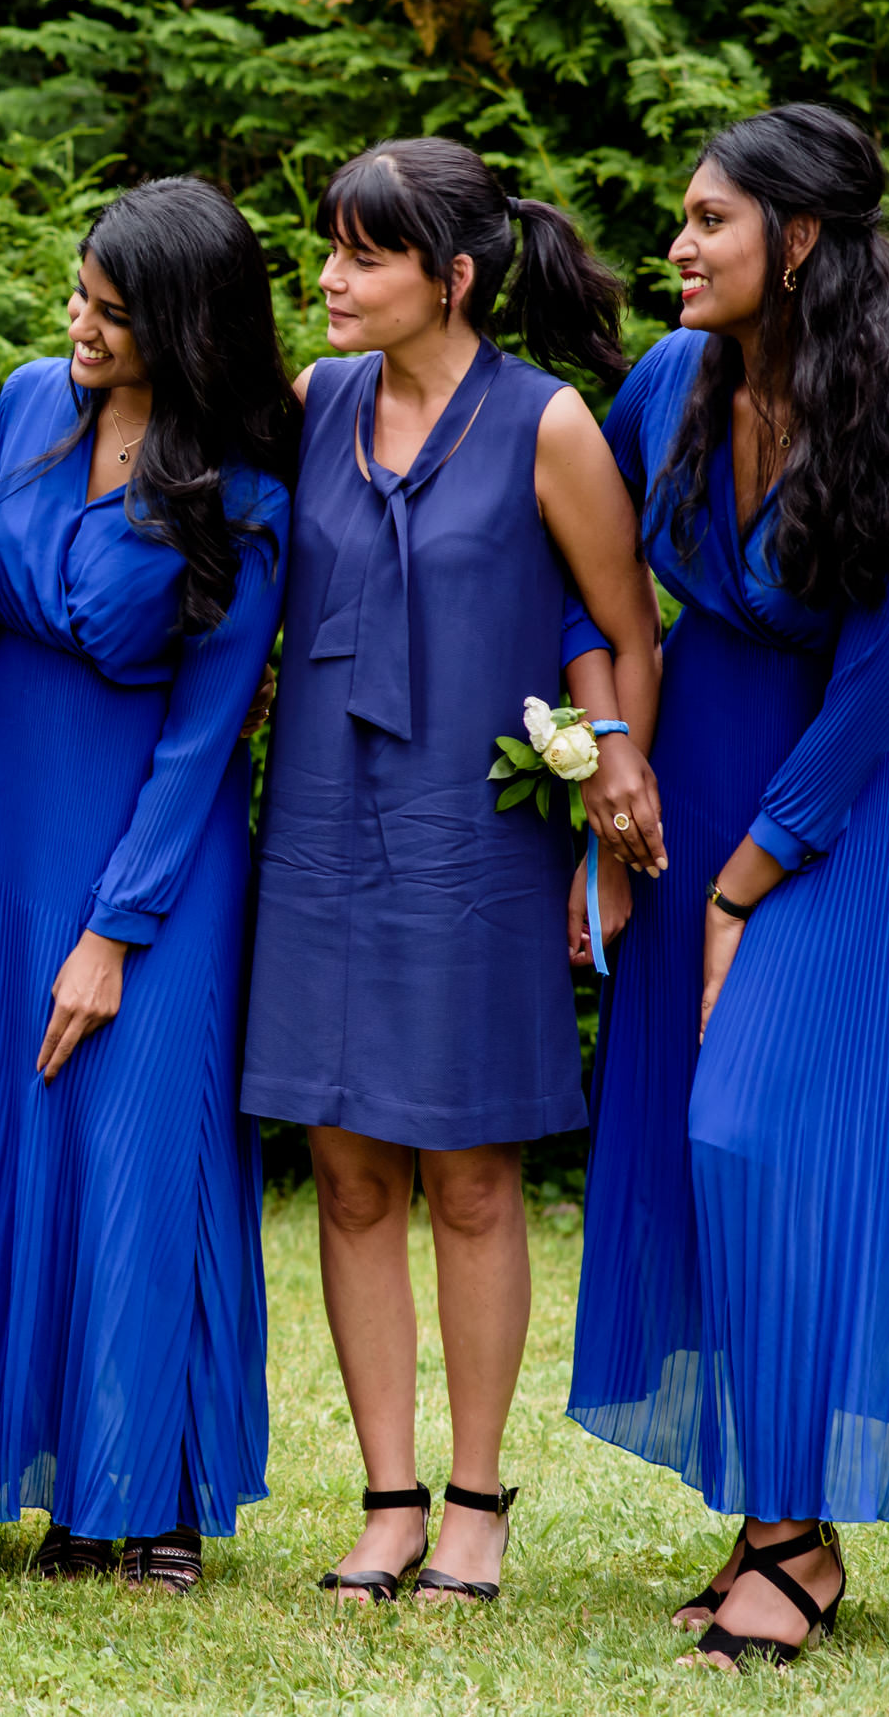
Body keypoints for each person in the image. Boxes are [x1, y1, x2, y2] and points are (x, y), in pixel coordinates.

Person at [565, 104, 889, 1669]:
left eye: (711, 222)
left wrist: (745, 889)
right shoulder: (666, 384)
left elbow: (886, 676)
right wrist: (603, 751)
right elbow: (584, 564)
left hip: (847, 802)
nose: (678, 246)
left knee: (759, 1133)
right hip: (694, 768)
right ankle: (774, 1516)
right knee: (708, 1154)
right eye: (681, 218)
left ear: (800, 241)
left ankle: (798, 1538)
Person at [239, 139, 663, 1605]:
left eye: (364, 256)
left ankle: (479, 1500)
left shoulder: (548, 427)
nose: (331, 279)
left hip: (472, 838)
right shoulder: (313, 403)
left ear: (455, 278)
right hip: (315, 830)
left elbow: (623, 628)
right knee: (348, 1174)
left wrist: (606, 829)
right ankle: (390, 1497)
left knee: (472, 1176)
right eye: (330, 250)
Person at [0, 179, 292, 1593]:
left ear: (188, 325)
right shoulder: (30, 402)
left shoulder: (246, 483)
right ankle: (58, 1480)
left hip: (155, 843)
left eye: (113, 307)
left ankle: (149, 1496)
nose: (79, 322)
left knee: (141, 1150)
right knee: (26, 1142)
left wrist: (115, 930)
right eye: (79, 290)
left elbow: (210, 735)